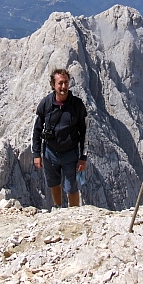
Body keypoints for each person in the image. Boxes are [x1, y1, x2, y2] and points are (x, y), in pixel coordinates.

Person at [32, 68, 88, 209]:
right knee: (53, 182)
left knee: (72, 187)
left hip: (70, 153)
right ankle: (57, 208)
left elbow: (85, 132)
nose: (63, 87)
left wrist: (83, 157)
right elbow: (37, 129)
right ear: (53, 85)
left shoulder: (77, 105)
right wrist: (36, 154)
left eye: (66, 83)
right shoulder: (46, 104)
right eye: (60, 83)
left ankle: (74, 212)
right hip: (50, 152)